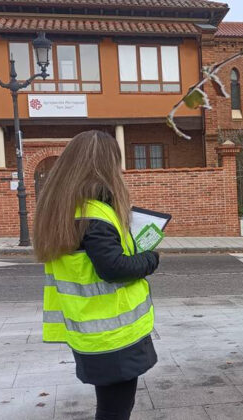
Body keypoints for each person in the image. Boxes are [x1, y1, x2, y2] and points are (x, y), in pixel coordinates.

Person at [33, 130, 160, 420]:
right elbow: (114, 268)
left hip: (90, 331)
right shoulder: (96, 215)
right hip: (113, 335)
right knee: (115, 410)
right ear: (106, 166)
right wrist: (151, 258)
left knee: (110, 406)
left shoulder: (66, 210)